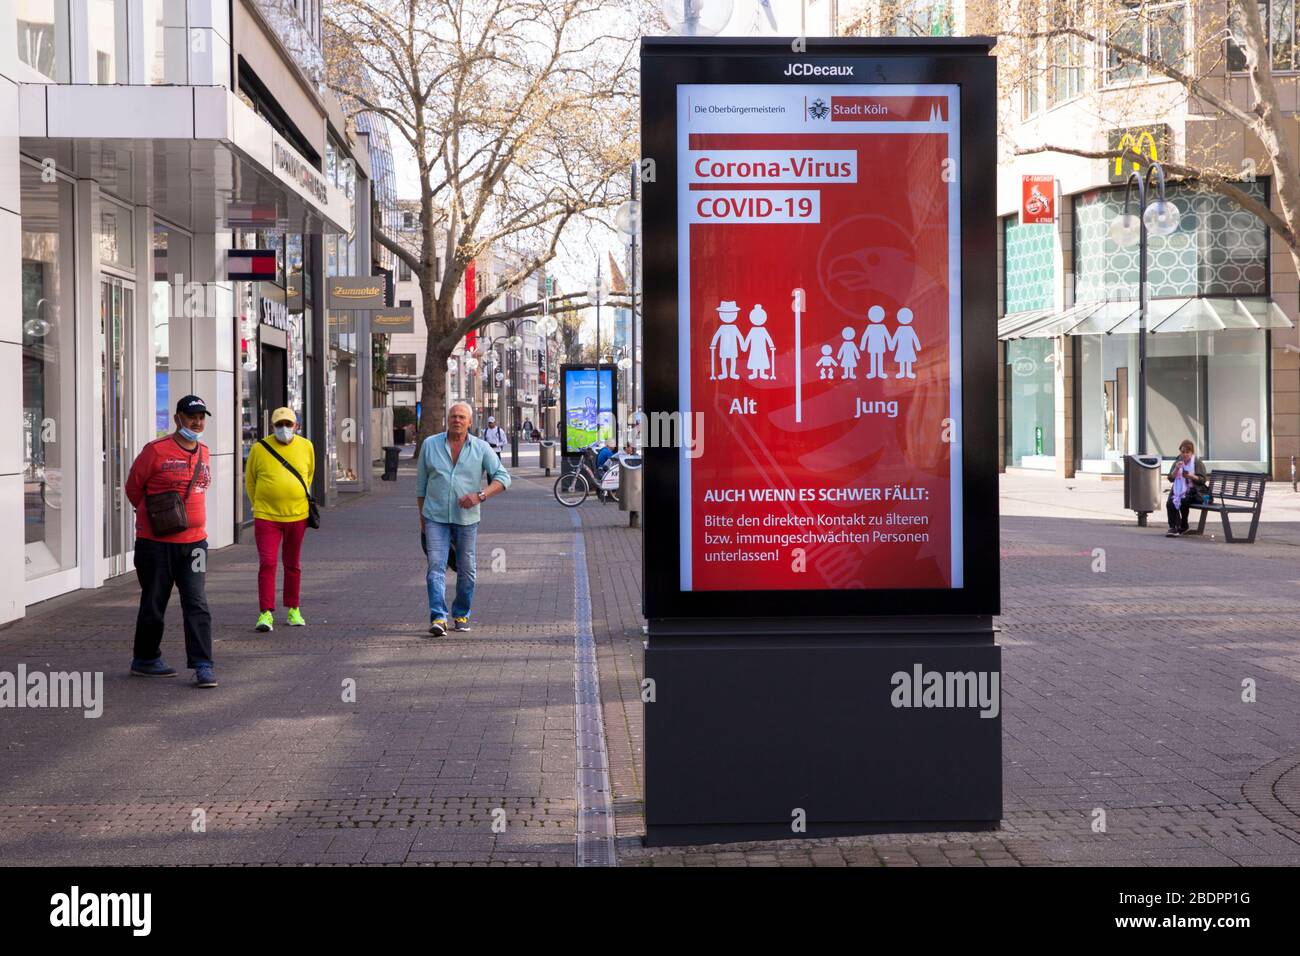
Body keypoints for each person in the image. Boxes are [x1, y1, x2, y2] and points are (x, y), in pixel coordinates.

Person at [123, 395, 217, 688]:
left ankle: (203, 665)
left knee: (197, 603)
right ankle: (146, 659)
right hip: (156, 543)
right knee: (154, 601)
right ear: (177, 418)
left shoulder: (204, 451)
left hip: (196, 544)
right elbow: (133, 488)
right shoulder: (155, 451)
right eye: (191, 417)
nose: (197, 422)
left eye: (201, 417)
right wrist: (155, 517)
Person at [416, 402, 511, 636]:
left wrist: (480, 496)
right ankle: (438, 617)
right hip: (435, 517)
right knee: (435, 567)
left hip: (467, 519)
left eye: (461, 417)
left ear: (470, 422)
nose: (456, 420)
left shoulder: (481, 448)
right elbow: (421, 487)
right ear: (447, 419)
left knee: (467, 570)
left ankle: (461, 613)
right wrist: (422, 521)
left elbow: (503, 477)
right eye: (453, 416)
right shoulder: (430, 445)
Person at [244, 406, 315, 632]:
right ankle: (265, 613)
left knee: (292, 564)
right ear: (272, 426)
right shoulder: (259, 448)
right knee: (268, 563)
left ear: (296, 426)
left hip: (297, 514)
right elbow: (250, 480)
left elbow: (309, 475)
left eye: (288, 424)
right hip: (267, 515)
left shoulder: (306, 447)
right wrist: (259, 504)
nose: (284, 428)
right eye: (279, 425)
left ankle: (293, 608)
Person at [1166, 439, 1209, 537]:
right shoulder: (1178, 461)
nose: (1185, 454)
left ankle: (1183, 524)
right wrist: (1176, 469)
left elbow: (1202, 480)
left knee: (1184, 500)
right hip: (1178, 490)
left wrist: (1191, 476)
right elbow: (1171, 478)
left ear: (1191, 452)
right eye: (1183, 452)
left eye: (1187, 452)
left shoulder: (1197, 462)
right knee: (1170, 502)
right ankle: (1174, 527)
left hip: (1194, 491)